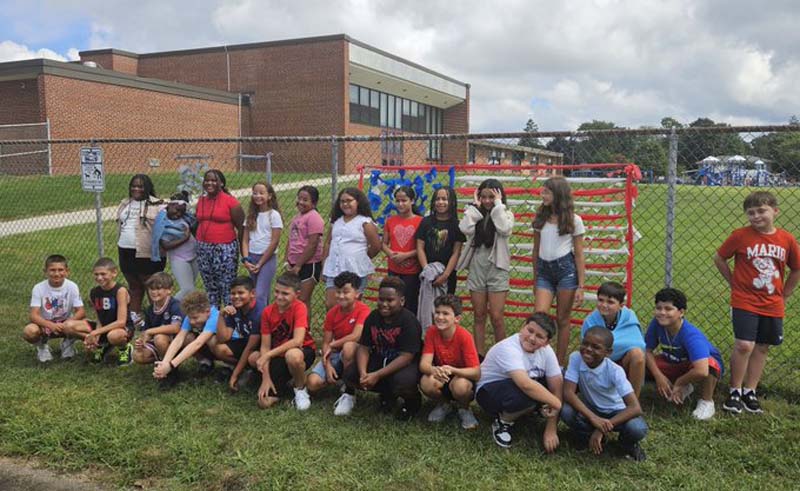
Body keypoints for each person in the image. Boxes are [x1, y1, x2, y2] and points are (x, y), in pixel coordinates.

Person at [714, 191, 800, 414]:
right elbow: (720, 257)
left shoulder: (786, 239)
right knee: (744, 345)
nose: (755, 216)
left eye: (761, 211)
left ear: (775, 211)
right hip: (744, 300)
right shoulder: (741, 236)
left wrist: (785, 294)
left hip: (772, 302)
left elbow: (796, 268)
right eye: (750, 213)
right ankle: (734, 390)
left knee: (762, 346)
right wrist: (733, 282)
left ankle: (749, 391)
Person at [475, 312, 562, 452]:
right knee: (529, 391)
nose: (532, 338)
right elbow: (525, 384)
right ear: (522, 327)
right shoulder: (508, 347)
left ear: (546, 342)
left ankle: (535, 410)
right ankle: (504, 421)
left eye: (539, 336)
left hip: (518, 387)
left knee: (559, 378)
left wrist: (551, 428)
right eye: (530, 330)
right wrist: (556, 404)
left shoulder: (547, 351)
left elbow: (557, 384)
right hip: (488, 393)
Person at [561, 327, 648, 462]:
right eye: (585, 343)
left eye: (596, 347)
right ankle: (585, 436)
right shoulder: (576, 358)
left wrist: (602, 429)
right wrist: (593, 418)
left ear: (608, 352)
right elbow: (568, 393)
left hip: (616, 413)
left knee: (637, 428)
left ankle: (626, 445)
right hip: (592, 410)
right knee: (565, 410)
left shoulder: (615, 371)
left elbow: (635, 408)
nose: (588, 349)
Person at [343, 276, 423, 421]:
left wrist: (377, 375)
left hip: (403, 364)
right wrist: (363, 373)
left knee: (403, 381)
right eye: (381, 299)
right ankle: (387, 396)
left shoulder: (409, 321)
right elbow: (364, 347)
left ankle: (412, 402)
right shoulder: (373, 317)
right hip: (380, 358)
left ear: (402, 301)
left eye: (390, 300)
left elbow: (407, 357)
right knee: (350, 375)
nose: (384, 304)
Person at [644, 288, 723, 421]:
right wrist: (659, 377)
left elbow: (702, 370)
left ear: (681, 312)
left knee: (710, 365)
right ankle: (685, 385)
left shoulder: (691, 335)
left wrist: (680, 382)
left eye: (668, 309)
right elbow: (647, 351)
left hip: (698, 367)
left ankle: (706, 401)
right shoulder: (657, 324)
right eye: (658, 308)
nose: (662, 313)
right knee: (640, 359)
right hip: (675, 362)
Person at [532, 176, 586, 366]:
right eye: (543, 191)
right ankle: (538, 361)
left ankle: (559, 363)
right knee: (540, 317)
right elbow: (536, 249)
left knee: (563, 319)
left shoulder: (574, 220)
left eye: (547, 191)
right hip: (544, 271)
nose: (542, 194)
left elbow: (579, 254)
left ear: (558, 195)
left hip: (566, 271)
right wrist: (535, 276)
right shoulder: (541, 218)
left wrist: (581, 285)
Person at [457, 178, 514, 355]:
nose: (487, 201)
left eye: (492, 196)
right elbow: (465, 228)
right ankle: (479, 355)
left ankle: (502, 355)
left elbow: (504, 229)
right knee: (479, 314)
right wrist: (474, 208)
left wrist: (498, 205)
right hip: (477, 267)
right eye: (484, 197)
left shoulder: (506, 214)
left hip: (497, 268)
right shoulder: (474, 214)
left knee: (497, 317)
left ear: (499, 197)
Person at [249, 272, 316, 410]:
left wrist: (267, 355)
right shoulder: (267, 312)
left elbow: (298, 341)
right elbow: (265, 346)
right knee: (254, 358)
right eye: (277, 292)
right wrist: (265, 378)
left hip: (302, 352)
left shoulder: (300, 307)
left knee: (292, 355)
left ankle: (300, 389)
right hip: (277, 356)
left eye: (285, 293)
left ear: (297, 294)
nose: (279, 297)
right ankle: (280, 383)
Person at [306, 272, 370, 416]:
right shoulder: (332, 313)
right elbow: (326, 343)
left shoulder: (364, 310)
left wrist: (334, 345)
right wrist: (327, 365)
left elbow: (356, 335)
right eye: (338, 292)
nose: (341, 296)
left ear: (357, 293)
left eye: (346, 292)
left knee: (349, 347)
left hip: (355, 354)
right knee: (312, 383)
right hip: (335, 354)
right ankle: (336, 377)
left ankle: (349, 392)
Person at [419, 294, 480, 430]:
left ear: (457, 319)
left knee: (461, 386)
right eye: (438, 312)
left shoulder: (464, 336)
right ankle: (444, 404)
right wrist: (434, 370)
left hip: (462, 376)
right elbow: (424, 364)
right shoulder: (431, 332)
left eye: (446, 314)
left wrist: (452, 370)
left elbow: (476, 373)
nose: (440, 317)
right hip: (442, 374)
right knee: (426, 382)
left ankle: (464, 408)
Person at [580, 281, 646, 397]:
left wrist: (607, 345)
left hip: (622, 362)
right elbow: (586, 349)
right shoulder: (590, 320)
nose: (604, 305)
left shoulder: (629, 316)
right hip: (598, 362)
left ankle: (633, 401)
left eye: (610, 302)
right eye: (600, 300)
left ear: (621, 305)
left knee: (638, 354)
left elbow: (638, 343)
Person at [65, 257, 134, 366]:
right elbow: (99, 318)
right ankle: (101, 345)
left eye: (103, 274)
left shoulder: (120, 291)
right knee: (68, 326)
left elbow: (121, 321)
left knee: (114, 336)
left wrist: (95, 332)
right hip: (103, 328)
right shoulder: (94, 292)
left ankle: (124, 348)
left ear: (114, 273)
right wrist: (95, 337)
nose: (99, 277)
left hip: (121, 328)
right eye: (96, 274)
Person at [322, 187, 381, 310]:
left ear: (358, 202)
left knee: (351, 305)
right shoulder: (336, 221)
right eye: (342, 201)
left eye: (349, 201)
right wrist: (324, 264)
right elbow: (328, 243)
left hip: (355, 269)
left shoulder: (365, 222)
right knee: (331, 304)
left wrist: (361, 257)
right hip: (335, 268)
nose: (345, 204)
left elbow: (376, 246)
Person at [116, 174, 165, 325]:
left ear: (148, 188)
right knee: (134, 285)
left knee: (151, 285)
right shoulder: (125, 204)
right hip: (125, 250)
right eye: (133, 186)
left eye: (140, 186)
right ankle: (135, 317)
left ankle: (156, 317)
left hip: (147, 252)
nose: (136, 189)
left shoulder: (159, 205)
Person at [195, 169, 245, 307]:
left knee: (226, 285)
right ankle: (214, 318)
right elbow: (197, 222)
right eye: (207, 180)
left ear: (221, 183)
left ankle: (230, 319)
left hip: (224, 248)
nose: (209, 183)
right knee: (210, 286)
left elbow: (241, 226)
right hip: (203, 248)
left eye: (213, 180)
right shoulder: (201, 201)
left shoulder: (230, 201)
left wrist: (242, 250)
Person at [22, 254, 86, 362]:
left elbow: (81, 311)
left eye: (60, 270)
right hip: (45, 324)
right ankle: (42, 347)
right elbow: (33, 315)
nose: (57, 274)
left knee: (86, 325)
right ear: (45, 271)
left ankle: (67, 344)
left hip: (65, 323)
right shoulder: (38, 288)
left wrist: (68, 323)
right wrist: (50, 325)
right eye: (52, 270)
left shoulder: (72, 286)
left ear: (67, 271)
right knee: (29, 331)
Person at [153, 291, 224, 387]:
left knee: (212, 340)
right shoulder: (192, 315)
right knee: (188, 337)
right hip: (211, 347)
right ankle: (206, 363)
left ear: (207, 311)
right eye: (190, 318)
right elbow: (179, 339)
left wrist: (171, 365)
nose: (192, 321)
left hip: (231, 348)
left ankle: (230, 367)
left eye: (195, 318)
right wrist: (165, 362)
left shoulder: (215, 317)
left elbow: (198, 343)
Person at [211, 276, 264, 392]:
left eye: (241, 293)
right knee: (218, 347)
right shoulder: (234, 309)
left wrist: (234, 375)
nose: (236, 297)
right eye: (233, 293)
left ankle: (254, 374)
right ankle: (245, 369)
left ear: (252, 293)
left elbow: (251, 347)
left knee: (253, 358)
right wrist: (221, 315)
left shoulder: (259, 313)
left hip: (261, 348)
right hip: (246, 344)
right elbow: (223, 338)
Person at [416, 186, 465, 295]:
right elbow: (420, 247)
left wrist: (445, 275)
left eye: (444, 199)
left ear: (452, 202)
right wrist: (427, 270)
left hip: (447, 274)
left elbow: (456, 252)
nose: (440, 202)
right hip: (426, 272)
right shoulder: (426, 222)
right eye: (437, 199)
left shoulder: (456, 225)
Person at [382, 186, 423, 316]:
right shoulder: (390, 221)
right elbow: (383, 243)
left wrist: (405, 256)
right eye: (397, 200)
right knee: (392, 302)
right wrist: (392, 255)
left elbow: (422, 248)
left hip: (412, 271)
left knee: (410, 303)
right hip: (394, 269)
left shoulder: (420, 221)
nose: (400, 204)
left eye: (404, 200)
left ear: (412, 201)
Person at [285, 185, 325, 317]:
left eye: (305, 200)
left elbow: (312, 244)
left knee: (302, 300)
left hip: (309, 264)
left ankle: (304, 331)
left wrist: (298, 265)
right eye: (299, 198)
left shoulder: (314, 217)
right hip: (294, 263)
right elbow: (290, 240)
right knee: (294, 300)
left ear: (314, 203)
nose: (301, 202)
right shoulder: (297, 217)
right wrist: (287, 261)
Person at [242, 181, 283, 305]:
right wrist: (246, 260)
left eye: (261, 193)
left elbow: (274, 242)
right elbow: (245, 240)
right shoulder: (251, 215)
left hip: (267, 258)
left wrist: (260, 263)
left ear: (269, 196)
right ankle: (262, 319)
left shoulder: (274, 215)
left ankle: (262, 323)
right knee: (254, 293)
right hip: (252, 257)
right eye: (255, 193)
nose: (257, 196)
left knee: (260, 294)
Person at [151, 191, 198, 301]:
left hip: (194, 256)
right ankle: (167, 307)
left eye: (182, 212)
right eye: (177, 210)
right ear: (170, 205)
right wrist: (185, 238)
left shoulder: (186, 218)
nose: (178, 214)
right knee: (187, 289)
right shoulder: (163, 222)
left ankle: (184, 313)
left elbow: (194, 228)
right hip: (179, 258)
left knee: (191, 289)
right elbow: (165, 245)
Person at [132, 272, 183, 366]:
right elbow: (146, 331)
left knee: (159, 338)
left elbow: (176, 328)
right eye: (151, 289)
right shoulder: (150, 309)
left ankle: (170, 367)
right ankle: (161, 360)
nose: (154, 292)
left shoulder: (175, 305)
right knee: (137, 355)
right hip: (158, 341)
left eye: (158, 288)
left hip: (178, 341)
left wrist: (151, 331)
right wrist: (141, 342)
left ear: (169, 290)